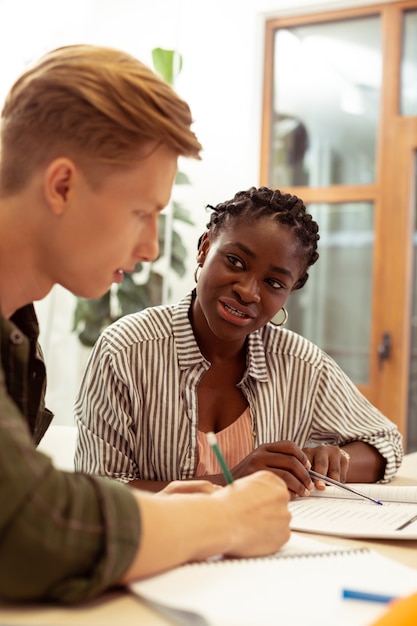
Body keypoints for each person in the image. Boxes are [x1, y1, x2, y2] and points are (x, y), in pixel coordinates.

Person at [0, 46, 292, 605]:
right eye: (141, 213)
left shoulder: (16, 324)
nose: (152, 247)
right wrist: (224, 519)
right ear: (62, 186)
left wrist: (162, 511)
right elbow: (27, 523)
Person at [75, 186, 403, 497]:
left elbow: (386, 442)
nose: (247, 291)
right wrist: (230, 482)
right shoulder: (126, 351)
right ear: (205, 248)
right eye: (235, 262)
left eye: (274, 282)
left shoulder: (302, 365)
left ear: (288, 294)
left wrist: (329, 463)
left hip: (272, 551)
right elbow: (96, 492)